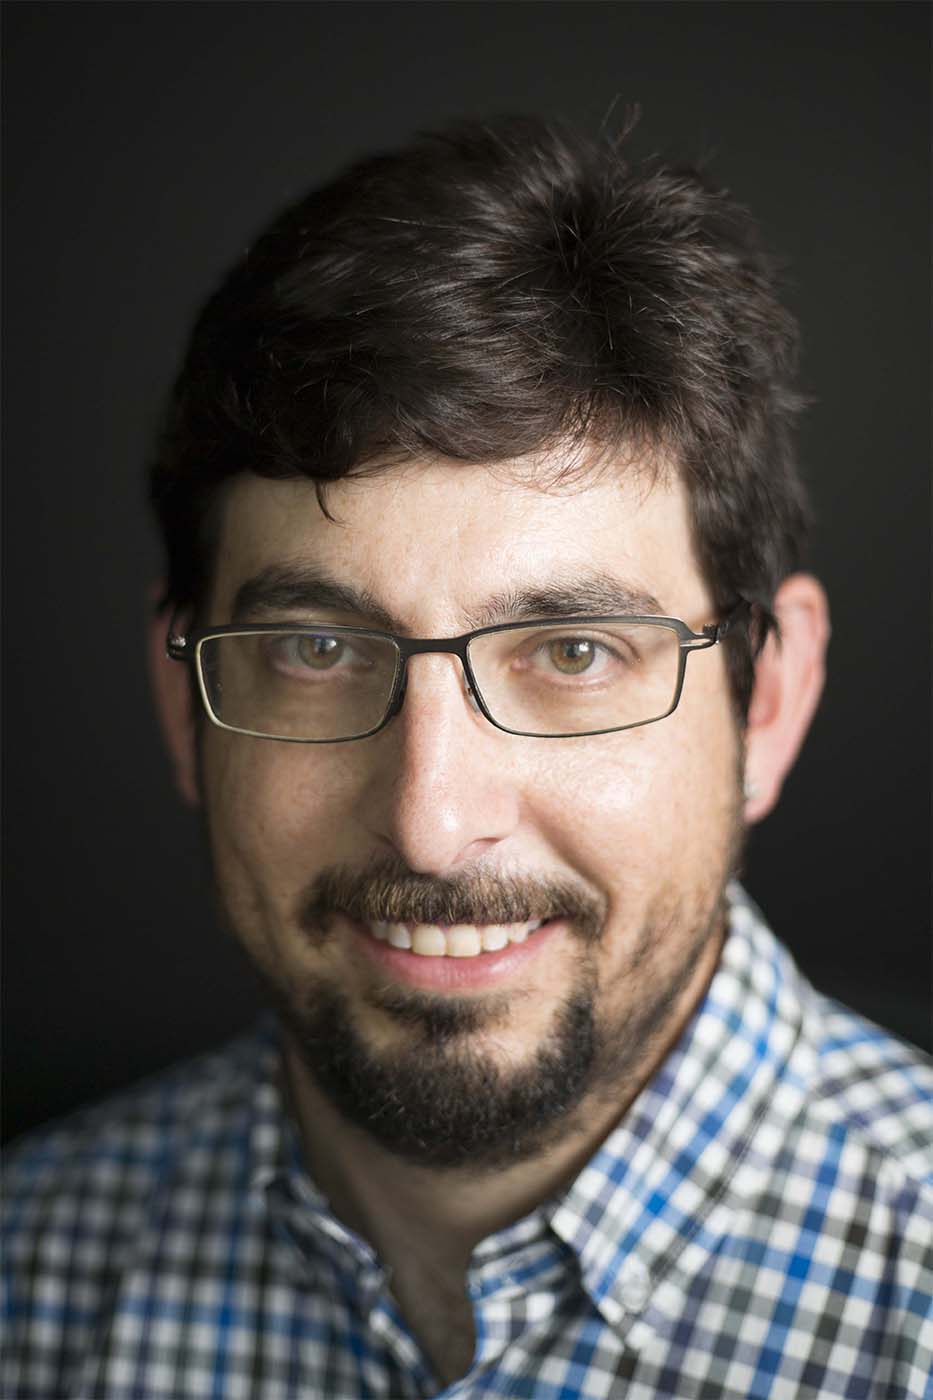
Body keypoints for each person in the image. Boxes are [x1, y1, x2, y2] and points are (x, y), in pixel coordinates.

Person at [3, 115, 930, 1400]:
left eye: (571, 653)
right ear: (184, 708)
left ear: (765, 696)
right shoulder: (25, 1283)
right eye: (319, 651)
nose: (433, 821)